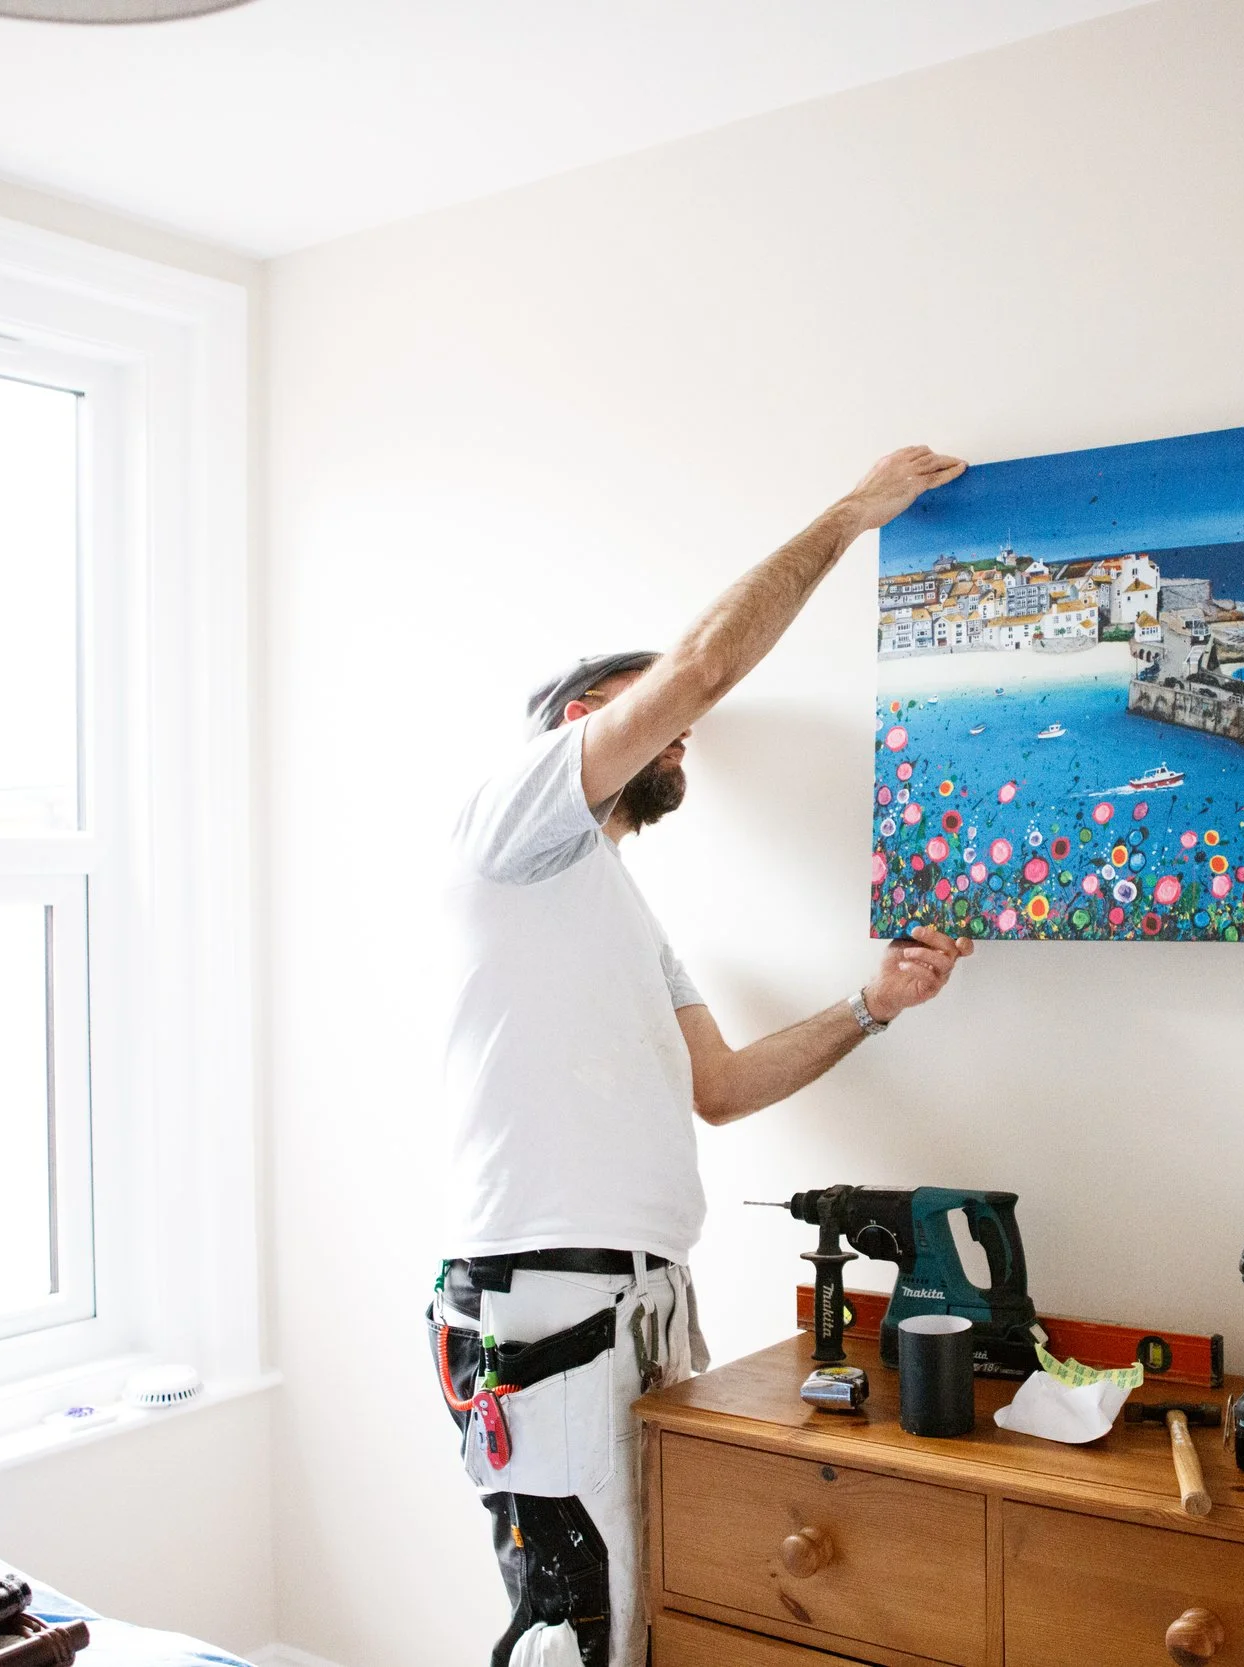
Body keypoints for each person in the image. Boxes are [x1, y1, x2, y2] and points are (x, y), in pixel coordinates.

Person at [427, 446, 975, 1667]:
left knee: (651, 1614)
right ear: (585, 721)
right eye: (664, 722)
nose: (687, 738)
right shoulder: (512, 820)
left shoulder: (616, 907)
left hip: (636, 1295)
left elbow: (719, 1088)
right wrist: (851, 515)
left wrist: (875, 1004)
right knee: (582, 1626)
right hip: (548, 1296)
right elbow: (704, 664)